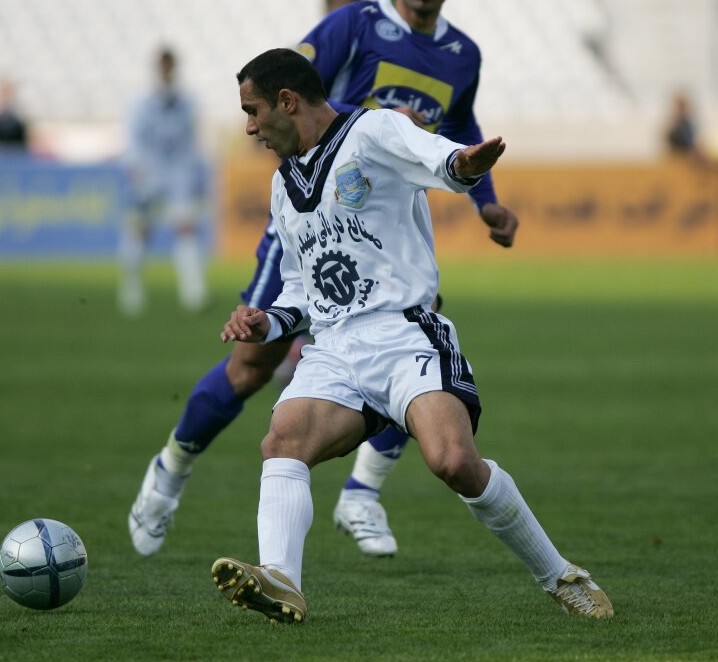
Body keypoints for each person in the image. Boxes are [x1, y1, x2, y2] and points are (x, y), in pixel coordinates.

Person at [128, 0, 519, 560]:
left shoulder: (461, 55)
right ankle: (168, 473)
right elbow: (291, 80)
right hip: (313, 220)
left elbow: (461, 126)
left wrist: (487, 202)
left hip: (384, 230)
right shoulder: (354, 26)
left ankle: (362, 494)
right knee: (250, 366)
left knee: (410, 345)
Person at [209, 48, 612, 623]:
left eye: (252, 111)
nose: (250, 127)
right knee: (282, 440)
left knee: (454, 461)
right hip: (335, 347)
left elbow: (441, 160)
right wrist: (266, 321)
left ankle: (561, 575)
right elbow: (301, 289)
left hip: (404, 334)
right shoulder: (283, 184)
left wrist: (466, 166)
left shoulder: (374, 131)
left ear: (287, 102)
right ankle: (281, 579)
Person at [117, 47, 209, 315]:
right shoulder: (141, 103)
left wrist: (193, 174)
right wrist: (135, 169)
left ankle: (193, 292)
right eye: (163, 66)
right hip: (149, 172)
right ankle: (131, 287)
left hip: (178, 173)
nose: (167, 71)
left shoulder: (187, 102)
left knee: (185, 227)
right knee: (140, 228)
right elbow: (134, 140)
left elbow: (191, 141)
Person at [0, 78, 29, 150]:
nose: (6, 99)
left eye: (8, 94)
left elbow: (21, 148)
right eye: (3, 94)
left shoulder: (19, 125)